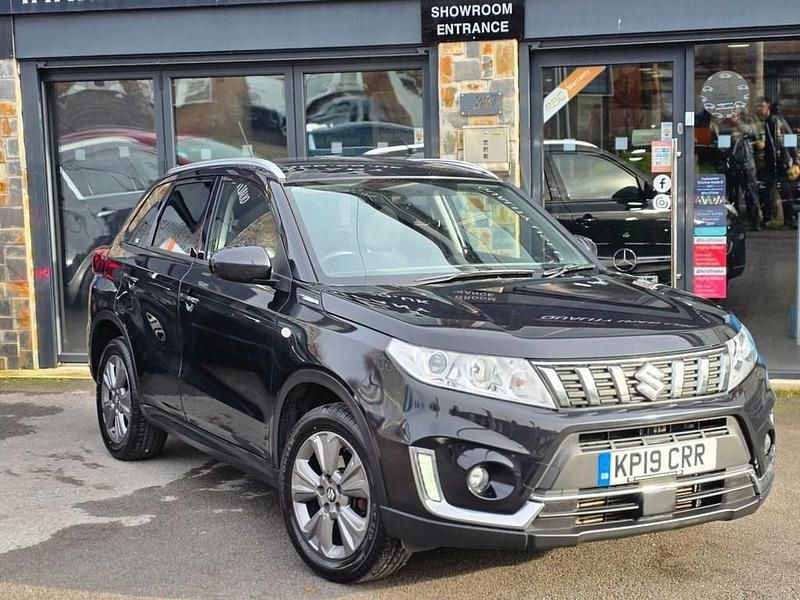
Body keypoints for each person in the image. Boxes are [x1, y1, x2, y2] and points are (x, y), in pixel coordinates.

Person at [755, 97, 798, 227]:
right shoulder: (760, 123)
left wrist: (795, 158)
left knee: (784, 190)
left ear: (768, 106)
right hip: (767, 163)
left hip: (780, 161)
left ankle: (789, 219)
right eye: (757, 106)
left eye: (761, 106)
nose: (759, 109)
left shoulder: (777, 121)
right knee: (764, 191)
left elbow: (790, 138)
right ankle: (767, 218)